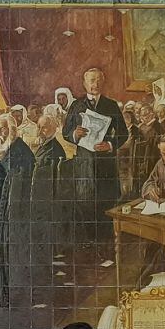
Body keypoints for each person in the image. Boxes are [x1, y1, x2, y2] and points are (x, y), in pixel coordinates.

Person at [62, 67, 129, 236]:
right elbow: (65, 132)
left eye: (99, 80)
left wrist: (110, 145)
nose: (96, 84)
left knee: (106, 203)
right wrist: (74, 135)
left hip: (105, 164)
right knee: (84, 203)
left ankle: (106, 246)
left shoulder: (111, 105)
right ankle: (88, 244)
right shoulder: (76, 106)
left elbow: (123, 133)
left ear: (103, 82)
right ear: (85, 84)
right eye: (92, 80)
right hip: (84, 164)